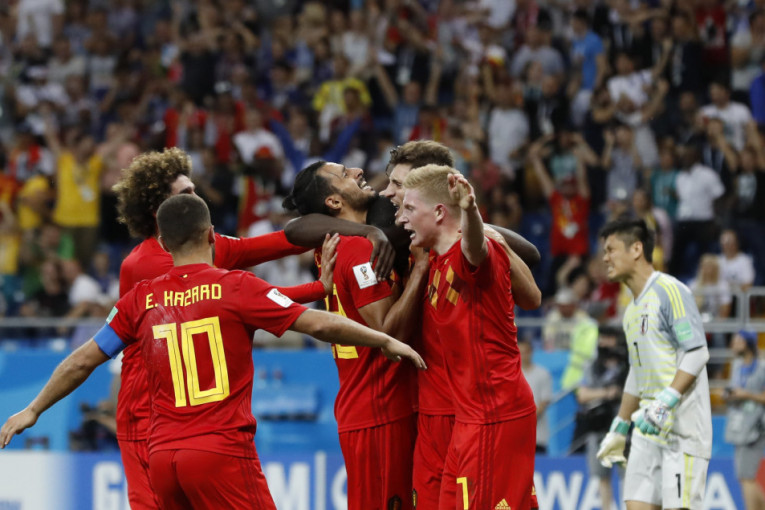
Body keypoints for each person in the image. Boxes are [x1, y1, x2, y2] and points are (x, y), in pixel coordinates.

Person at [0, 194, 426, 509]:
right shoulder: (235, 286)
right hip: (220, 453)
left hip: (162, 459)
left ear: (163, 242)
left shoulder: (140, 299)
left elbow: (82, 360)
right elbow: (317, 323)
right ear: (210, 235)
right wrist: (385, 339)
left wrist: (33, 409)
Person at [110, 147, 340, 509]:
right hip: (144, 416)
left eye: (194, 189)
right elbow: (243, 299)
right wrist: (316, 289)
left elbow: (280, 244)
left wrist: (350, 224)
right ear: (160, 210)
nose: (197, 196)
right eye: (186, 193)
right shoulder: (144, 265)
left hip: (181, 418)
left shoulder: (207, 247)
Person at [283, 160, 428, 510]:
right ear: (333, 202)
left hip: (367, 407)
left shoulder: (334, 244)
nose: (358, 171)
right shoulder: (361, 251)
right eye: (344, 174)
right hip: (382, 411)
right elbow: (389, 334)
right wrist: (421, 267)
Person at [399, 164, 541, 509]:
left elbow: (475, 249)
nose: (402, 218)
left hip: (495, 413)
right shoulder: (435, 259)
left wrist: (471, 210)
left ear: (439, 212)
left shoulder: (473, 254)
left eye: (409, 209)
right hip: (469, 418)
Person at [596, 218, 712, 510]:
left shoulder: (670, 291)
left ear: (636, 249)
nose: (605, 258)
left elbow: (697, 352)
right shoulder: (630, 312)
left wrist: (665, 402)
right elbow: (638, 372)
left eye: (610, 249)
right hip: (647, 429)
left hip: (682, 432)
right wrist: (620, 425)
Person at [575, 326, 629, 510]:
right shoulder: (592, 366)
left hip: (623, 427)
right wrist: (607, 393)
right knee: (601, 477)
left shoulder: (628, 365)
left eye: (609, 337)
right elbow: (582, 394)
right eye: (602, 337)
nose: (604, 342)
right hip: (598, 427)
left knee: (627, 476)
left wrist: (617, 393)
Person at [725, 330, 765, 510]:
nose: (733, 344)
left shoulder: (762, 367)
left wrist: (747, 395)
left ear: (748, 343)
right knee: (744, 477)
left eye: (738, 341)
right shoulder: (736, 365)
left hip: (755, 428)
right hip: (739, 427)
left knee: (747, 477)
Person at [519, 339, 553, 454]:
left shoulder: (542, 373)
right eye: (520, 353)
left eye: (525, 352)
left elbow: (544, 402)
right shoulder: (510, 374)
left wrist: (525, 420)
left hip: (537, 435)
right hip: (515, 435)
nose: (523, 356)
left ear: (531, 352)